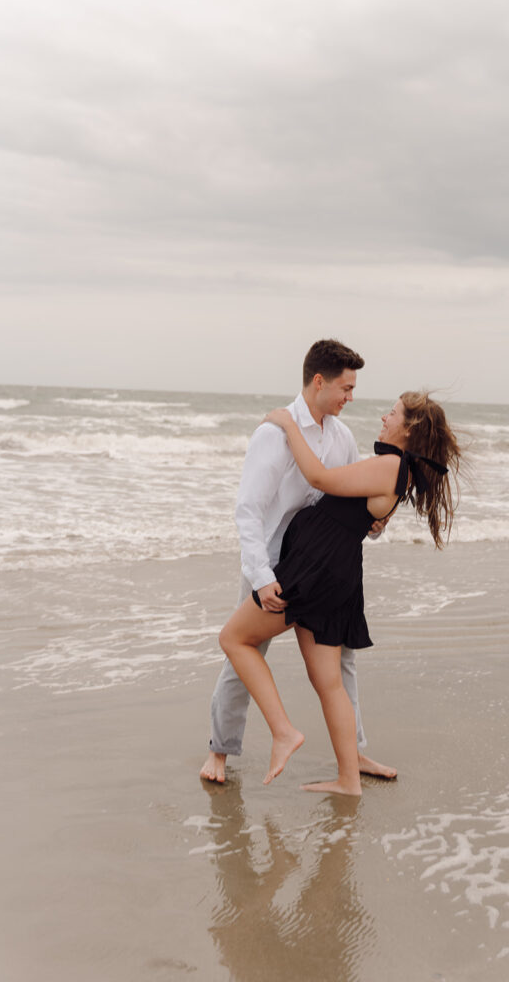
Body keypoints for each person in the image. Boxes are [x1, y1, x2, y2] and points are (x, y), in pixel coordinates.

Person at [219, 390, 462, 795]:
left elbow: (318, 477)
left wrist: (286, 423)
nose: (385, 416)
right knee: (328, 683)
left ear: (410, 428)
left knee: (234, 638)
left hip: (315, 570)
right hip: (335, 571)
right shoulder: (398, 469)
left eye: (394, 413)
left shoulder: (390, 465)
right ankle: (349, 781)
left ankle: (283, 731)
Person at [200, 339, 397, 784]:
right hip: (273, 566)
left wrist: (373, 524)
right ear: (319, 381)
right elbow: (248, 511)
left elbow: (346, 499)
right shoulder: (274, 433)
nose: (351, 397)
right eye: (346, 388)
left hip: (320, 569)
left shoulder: (341, 437)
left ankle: (355, 754)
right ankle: (219, 752)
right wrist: (262, 577)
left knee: (341, 661)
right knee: (244, 654)